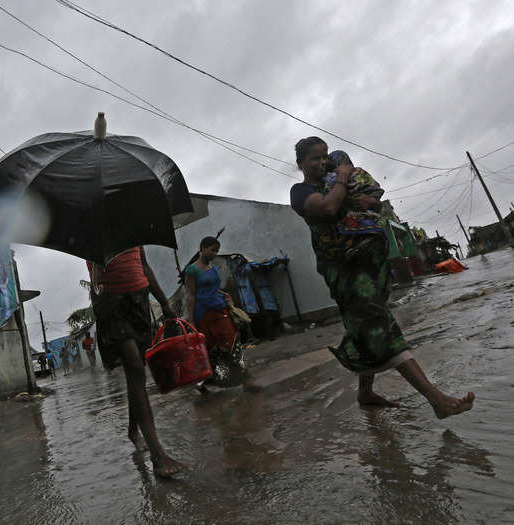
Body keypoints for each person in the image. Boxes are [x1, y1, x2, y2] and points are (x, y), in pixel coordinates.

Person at [289, 136, 474, 418]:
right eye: (315, 158)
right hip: (344, 271)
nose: (323, 162)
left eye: (326, 155)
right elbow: (327, 208)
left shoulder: (341, 182)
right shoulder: (300, 191)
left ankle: (365, 393)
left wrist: (367, 200)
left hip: (369, 263)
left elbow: (372, 205)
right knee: (380, 325)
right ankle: (436, 399)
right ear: (300, 162)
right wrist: (342, 176)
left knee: (365, 326)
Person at [87, 246, 185, 478]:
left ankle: (133, 430)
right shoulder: (93, 236)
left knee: (137, 375)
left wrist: (163, 301)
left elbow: (144, 267)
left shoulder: (132, 231)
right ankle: (158, 455)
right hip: (113, 304)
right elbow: (95, 281)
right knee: (136, 369)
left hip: (139, 301)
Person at [183, 237, 262, 393]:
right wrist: (191, 320)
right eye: (212, 250)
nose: (215, 253)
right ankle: (204, 381)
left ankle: (246, 380)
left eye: (217, 250)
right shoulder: (192, 270)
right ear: (203, 248)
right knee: (209, 348)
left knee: (232, 342)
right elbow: (191, 295)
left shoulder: (212, 268)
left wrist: (224, 295)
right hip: (203, 313)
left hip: (220, 310)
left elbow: (213, 288)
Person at [324, 150, 386, 239]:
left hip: (369, 230)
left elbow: (377, 199)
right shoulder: (327, 181)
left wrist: (370, 200)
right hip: (350, 234)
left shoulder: (359, 172)